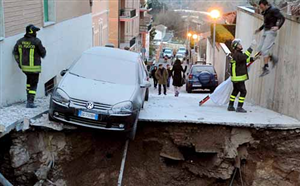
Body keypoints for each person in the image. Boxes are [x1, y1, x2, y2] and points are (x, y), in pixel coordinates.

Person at [13, 24, 46, 108]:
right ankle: (30, 102)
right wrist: (43, 49)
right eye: (35, 31)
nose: (36, 33)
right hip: (34, 68)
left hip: (24, 68)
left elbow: (15, 52)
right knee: (33, 84)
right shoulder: (36, 41)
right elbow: (43, 54)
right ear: (32, 32)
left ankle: (28, 99)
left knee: (29, 83)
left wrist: (19, 62)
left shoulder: (20, 41)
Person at [255, 0, 285, 77]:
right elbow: (265, 23)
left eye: (262, 7)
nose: (261, 8)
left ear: (265, 5)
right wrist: (259, 29)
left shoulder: (273, 10)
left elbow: (282, 18)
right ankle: (272, 58)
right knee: (259, 49)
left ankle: (266, 68)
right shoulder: (266, 11)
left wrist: (278, 27)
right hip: (265, 31)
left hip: (271, 32)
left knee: (264, 50)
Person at [228, 39, 255, 113]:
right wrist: (251, 48)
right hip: (238, 77)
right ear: (236, 46)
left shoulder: (236, 54)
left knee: (235, 91)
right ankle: (239, 107)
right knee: (243, 91)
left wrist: (253, 58)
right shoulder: (237, 54)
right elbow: (244, 57)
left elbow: (244, 60)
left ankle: (230, 106)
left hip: (235, 78)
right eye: (239, 44)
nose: (241, 45)